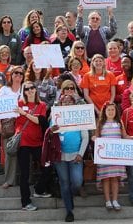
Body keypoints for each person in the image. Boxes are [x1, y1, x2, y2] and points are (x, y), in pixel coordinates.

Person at [46, 94, 88, 222]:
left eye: (70, 101)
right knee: (64, 184)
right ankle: (69, 210)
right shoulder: (55, 117)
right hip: (60, 156)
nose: (67, 103)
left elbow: (85, 137)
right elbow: (48, 135)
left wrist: (80, 154)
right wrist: (51, 130)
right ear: (61, 104)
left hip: (76, 155)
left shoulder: (79, 116)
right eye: (64, 101)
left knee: (77, 181)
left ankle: (70, 195)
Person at [16, 81, 50, 211]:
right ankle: (25, 202)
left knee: (47, 166)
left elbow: (39, 121)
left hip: (37, 142)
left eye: (32, 88)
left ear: (36, 90)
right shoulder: (18, 104)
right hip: (23, 142)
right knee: (24, 174)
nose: (30, 90)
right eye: (27, 88)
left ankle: (39, 189)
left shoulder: (41, 105)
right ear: (23, 91)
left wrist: (24, 114)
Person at [93, 101, 130, 211]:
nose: (110, 112)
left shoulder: (119, 123)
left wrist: (132, 138)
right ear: (104, 111)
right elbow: (96, 136)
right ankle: (108, 201)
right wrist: (94, 138)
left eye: (112, 110)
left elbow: (125, 136)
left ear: (116, 111)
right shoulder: (100, 123)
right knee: (106, 179)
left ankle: (115, 200)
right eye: (108, 110)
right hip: (104, 157)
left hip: (116, 157)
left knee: (115, 179)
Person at [0, 65, 25, 189]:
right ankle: (9, 180)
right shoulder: (4, 89)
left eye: (20, 73)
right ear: (11, 75)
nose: (18, 75)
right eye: (16, 73)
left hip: (23, 122)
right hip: (8, 123)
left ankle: (26, 179)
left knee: (24, 152)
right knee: (10, 152)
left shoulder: (26, 88)